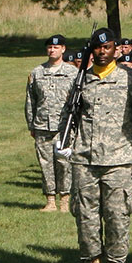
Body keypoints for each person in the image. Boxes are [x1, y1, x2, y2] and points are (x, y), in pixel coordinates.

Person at [63, 28, 132, 263]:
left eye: (108, 47)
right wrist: (66, 142)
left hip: (119, 159)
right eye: (98, 47)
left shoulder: (131, 80)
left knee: (117, 215)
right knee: (86, 215)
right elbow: (69, 115)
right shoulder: (81, 80)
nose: (102, 52)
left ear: (116, 49)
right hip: (85, 159)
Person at [24, 35, 77, 212]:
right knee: (45, 164)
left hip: (64, 126)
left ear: (63, 49)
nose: (52, 50)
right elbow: (30, 101)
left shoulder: (73, 73)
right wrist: (31, 124)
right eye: (49, 48)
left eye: (56, 47)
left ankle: (65, 200)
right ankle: (50, 200)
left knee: (64, 164)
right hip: (42, 126)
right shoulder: (37, 73)